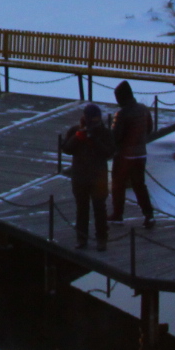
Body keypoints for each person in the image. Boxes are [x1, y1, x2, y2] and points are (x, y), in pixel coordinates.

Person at [59, 104, 114, 250]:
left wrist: (94, 140)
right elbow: (66, 149)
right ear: (86, 118)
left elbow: (109, 152)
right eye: (92, 119)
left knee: (99, 209)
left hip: (98, 177)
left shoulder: (105, 133)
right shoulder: (75, 130)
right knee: (81, 209)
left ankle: (102, 239)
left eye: (97, 119)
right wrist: (78, 137)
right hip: (80, 176)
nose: (95, 122)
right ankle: (81, 238)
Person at [109, 81, 155, 228]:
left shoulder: (121, 114)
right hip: (141, 154)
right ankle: (149, 214)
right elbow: (149, 129)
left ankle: (118, 214)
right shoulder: (143, 109)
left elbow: (116, 137)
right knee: (139, 185)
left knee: (118, 185)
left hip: (124, 156)